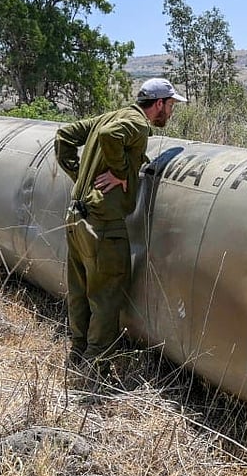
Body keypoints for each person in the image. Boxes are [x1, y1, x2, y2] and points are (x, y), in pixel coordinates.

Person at [54, 77, 186, 380]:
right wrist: (120, 172)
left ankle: (78, 349)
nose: (171, 111)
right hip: (102, 224)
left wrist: (79, 176)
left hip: (76, 217)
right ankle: (95, 365)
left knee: (80, 290)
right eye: (171, 105)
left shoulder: (112, 114)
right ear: (158, 104)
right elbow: (109, 136)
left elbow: (64, 135)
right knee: (106, 295)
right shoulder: (137, 124)